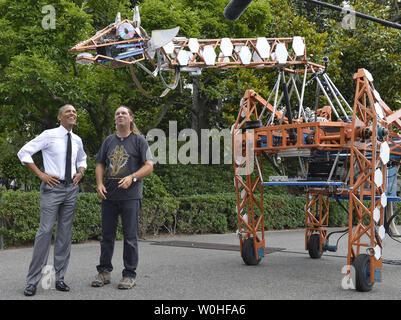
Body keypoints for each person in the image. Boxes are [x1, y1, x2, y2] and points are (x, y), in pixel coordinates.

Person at [17, 104, 87, 296]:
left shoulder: (77, 139)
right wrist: (41, 174)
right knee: (45, 232)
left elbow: (82, 159)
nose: (72, 113)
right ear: (59, 117)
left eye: (74, 112)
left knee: (64, 235)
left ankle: (60, 278)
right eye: (68, 112)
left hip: (71, 189)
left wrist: (80, 172)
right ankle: (32, 281)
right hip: (52, 188)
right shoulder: (49, 135)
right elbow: (23, 152)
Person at [91, 105, 153, 290]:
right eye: (117, 113)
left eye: (123, 113)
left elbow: (149, 166)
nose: (119, 115)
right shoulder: (108, 141)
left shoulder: (139, 140)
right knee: (107, 236)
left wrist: (132, 177)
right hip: (109, 195)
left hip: (130, 196)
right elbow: (100, 164)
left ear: (131, 118)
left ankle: (129, 274)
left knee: (130, 237)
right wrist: (99, 183)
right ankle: (104, 272)